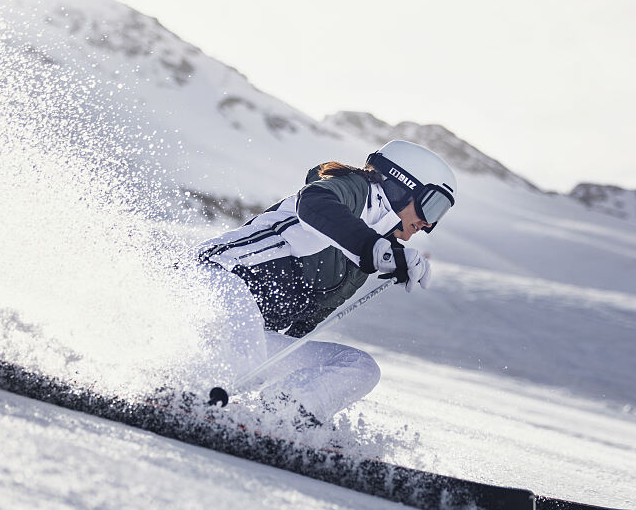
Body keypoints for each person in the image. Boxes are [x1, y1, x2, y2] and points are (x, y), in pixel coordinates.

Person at [194, 139, 458, 430]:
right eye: (432, 207)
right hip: (209, 282)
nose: (428, 225)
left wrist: (379, 251)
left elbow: (301, 327)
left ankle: (283, 417)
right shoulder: (355, 190)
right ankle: (184, 388)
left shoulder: (364, 258)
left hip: (243, 333)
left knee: (359, 367)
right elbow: (315, 204)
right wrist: (376, 249)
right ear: (402, 184)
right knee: (245, 359)